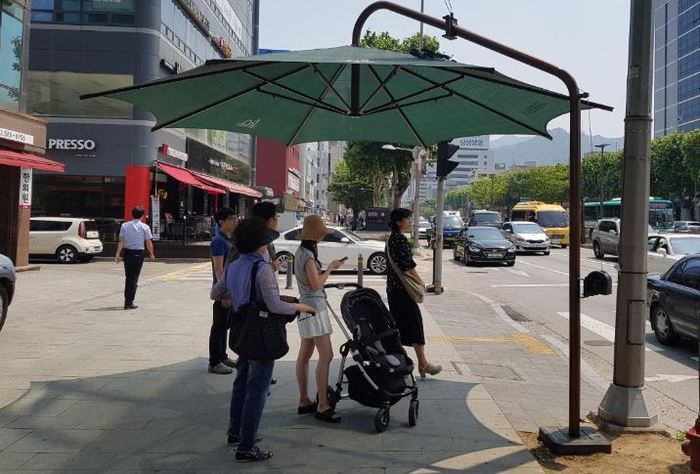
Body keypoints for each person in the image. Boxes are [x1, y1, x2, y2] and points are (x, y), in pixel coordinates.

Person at [214, 217, 316, 462]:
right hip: (261, 334)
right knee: (257, 390)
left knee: (241, 383)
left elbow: (216, 293)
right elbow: (274, 305)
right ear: (261, 244)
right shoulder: (262, 269)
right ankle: (247, 445)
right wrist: (301, 306)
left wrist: (238, 296)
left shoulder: (234, 265)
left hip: (241, 329)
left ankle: (235, 432)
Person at [294, 215, 344, 423]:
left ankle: (305, 399)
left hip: (305, 308)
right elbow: (316, 284)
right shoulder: (307, 255)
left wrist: (324, 270)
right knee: (327, 355)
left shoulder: (301, 252)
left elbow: (311, 280)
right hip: (314, 308)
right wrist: (330, 269)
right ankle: (323, 405)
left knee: (305, 354)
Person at [386, 208, 442, 378]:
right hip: (403, 292)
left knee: (398, 327)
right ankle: (422, 364)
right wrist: (423, 284)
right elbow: (408, 267)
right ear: (398, 222)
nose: (411, 222)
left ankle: (403, 361)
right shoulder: (399, 240)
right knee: (415, 325)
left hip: (394, 290)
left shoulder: (391, 239)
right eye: (408, 219)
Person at [208, 207, 239, 375]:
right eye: (232, 219)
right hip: (222, 291)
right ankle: (214, 361)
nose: (235, 221)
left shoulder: (230, 239)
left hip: (230, 289)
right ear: (222, 222)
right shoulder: (218, 241)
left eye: (235, 218)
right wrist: (225, 292)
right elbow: (219, 269)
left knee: (225, 324)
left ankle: (223, 355)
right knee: (219, 326)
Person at [115, 206, 155, 310]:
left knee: (129, 277)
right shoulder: (145, 227)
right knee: (133, 278)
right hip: (138, 253)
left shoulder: (124, 226)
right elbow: (148, 242)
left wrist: (118, 254)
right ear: (142, 215)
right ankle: (129, 302)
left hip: (127, 253)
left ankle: (128, 300)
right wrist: (151, 253)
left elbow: (121, 241)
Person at [251, 201, 280, 272]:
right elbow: (249, 267)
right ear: (271, 220)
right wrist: (268, 267)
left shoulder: (268, 240)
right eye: (277, 217)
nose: (277, 221)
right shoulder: (257, 242)